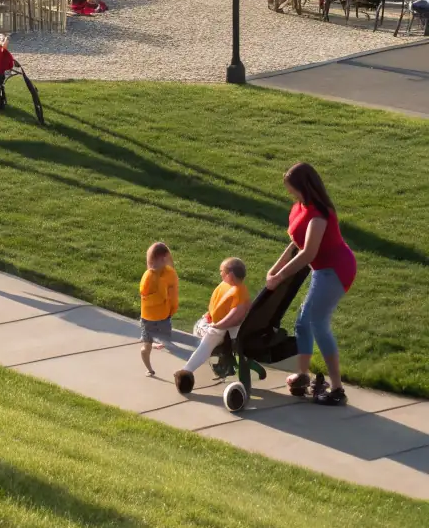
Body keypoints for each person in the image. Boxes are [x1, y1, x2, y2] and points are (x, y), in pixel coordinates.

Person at [266, 162, 356, 406]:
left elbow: (307, 253)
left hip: (336, 269)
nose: (291, 194)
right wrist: (275, 268)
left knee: (317, 323)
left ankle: (337, 388)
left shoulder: (319, 215)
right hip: (321, 268)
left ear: (305, 187)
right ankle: (303, 374)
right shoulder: (300, 207)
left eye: (293, 189)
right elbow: (296, 242)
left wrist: (280, 276)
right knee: (303, 321)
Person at [173, 258, 251, 394]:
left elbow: (236, 317)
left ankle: (186, 373)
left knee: (204, 338)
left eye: (222, 271)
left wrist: (217, 325)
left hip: (219, 330)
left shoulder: (240, 294)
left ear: (230, 275)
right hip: (215, 323)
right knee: (205, 332)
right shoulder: (232, 286)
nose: (220, 273)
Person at [139, 241, 179, 376]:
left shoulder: (170, 273)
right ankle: (150, 369)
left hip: (164, 316)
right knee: (146, 347)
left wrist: (172, 307)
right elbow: (146, 298)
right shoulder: (149, 276)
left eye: (155, 261)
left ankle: (160, 342)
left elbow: (173, 293)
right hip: (148, 319)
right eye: (151, 261)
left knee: (166, 339)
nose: (152, 264)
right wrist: (163, 296)